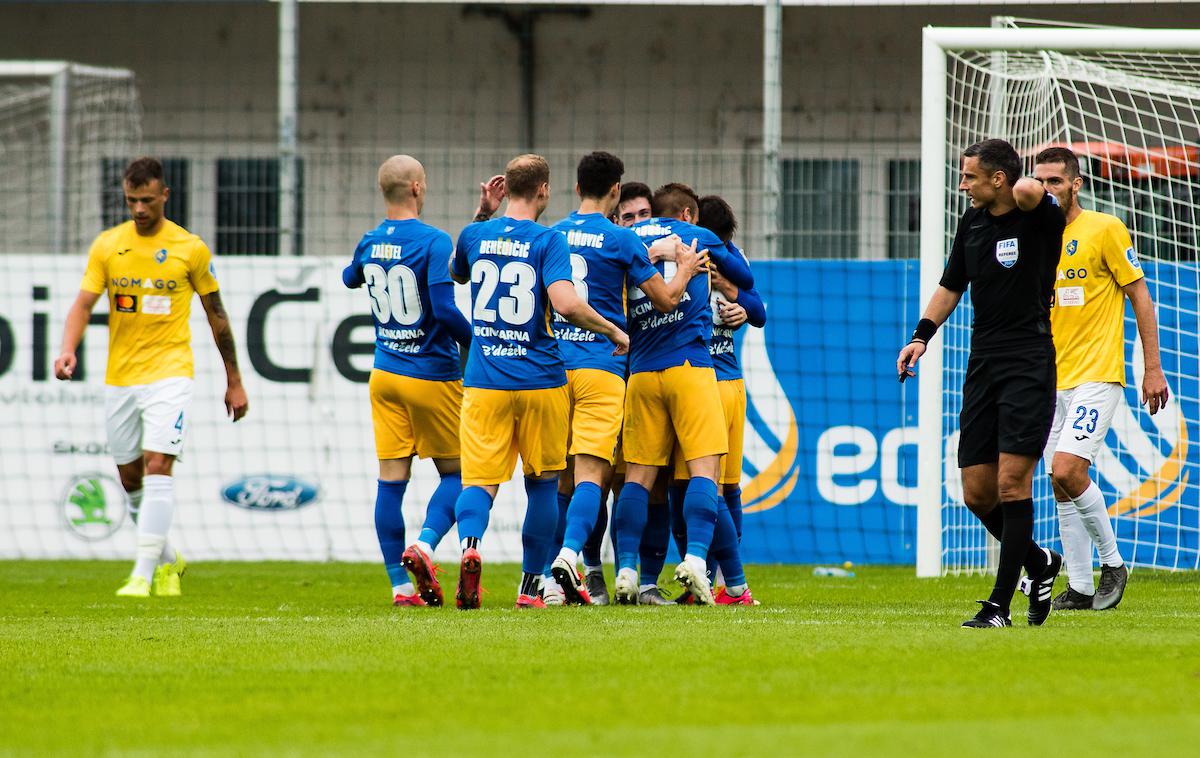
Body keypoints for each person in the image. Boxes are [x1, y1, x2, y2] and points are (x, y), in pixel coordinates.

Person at [54, 156, 249, 597]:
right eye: (131, 201)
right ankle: (169, 561)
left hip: (171, 374)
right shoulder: (108, 245)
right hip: (121, 376)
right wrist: (68, 348)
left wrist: (233, 379)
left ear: (165, 195)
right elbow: (82, 304)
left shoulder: (189, 248)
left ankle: (142, 574)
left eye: (146, 200)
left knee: (159, 464)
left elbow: (216, 316)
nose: (139, 209)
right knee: (130, 479)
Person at [449, 154, 629, 609]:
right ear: (544, 191)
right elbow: (566, 304)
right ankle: (531, 588)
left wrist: (483, 212)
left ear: (504, 189)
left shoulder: (476, 234)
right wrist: (611, 329)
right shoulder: (549, 241)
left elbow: (457, 271)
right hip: (540, 380)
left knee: (480, 483)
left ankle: (470, 547)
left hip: (484, 382)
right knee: (545, 484)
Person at [897, 138, 1065, 628]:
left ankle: (999, 606)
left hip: (1028, 363)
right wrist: (920, 337)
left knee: (1013, 483)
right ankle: (1039, 562)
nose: (962, 183)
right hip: (983, 364)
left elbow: (1032, 190)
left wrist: (1021, 180)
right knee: (976, 492)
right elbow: (952, 285)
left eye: (970, 176)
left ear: (997, 179)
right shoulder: (970, 223)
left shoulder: (1038, 218)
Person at [543, 152, 704, 606]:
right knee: (600, 477)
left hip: (556, 369)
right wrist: (688, 270)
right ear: (615, 191)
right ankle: (577, 562)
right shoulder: (621, 241)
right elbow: (669, 299)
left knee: (563, 481)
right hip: (607, 366)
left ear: (576, 189)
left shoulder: (551, 235)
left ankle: (559, 580)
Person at [1032, 146, 1169, 611]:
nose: (1047, 189)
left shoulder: (1105, 228)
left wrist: (1153, 367)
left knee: (1069, 469)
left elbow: (1140, 297)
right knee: (1059, 481)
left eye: (1055, 181)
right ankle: (1081, 587)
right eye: (1040, 180)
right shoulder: (1035, 237)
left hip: (1097, 375)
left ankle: (1113, 564)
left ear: (1076, 184)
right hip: (1051, 380)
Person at [613, 182, 754, 605]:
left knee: (638, 479)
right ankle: (696, 562)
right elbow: (744, 277)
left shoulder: (625, 240)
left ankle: (625, 570)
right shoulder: (695, 236)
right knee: (705, 474)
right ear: (689, 214)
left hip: (640, 372)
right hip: (690, 369)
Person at [342, 155, 472, 608]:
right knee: (461, 473)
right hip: (431, 375)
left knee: (390, 481)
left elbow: (349, 277)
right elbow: (444, 309)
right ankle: (424, 543)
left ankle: (399, 586)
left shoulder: (370, 240)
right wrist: (476, 341)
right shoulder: (434, 241)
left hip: (384, 375)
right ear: (417, 187)